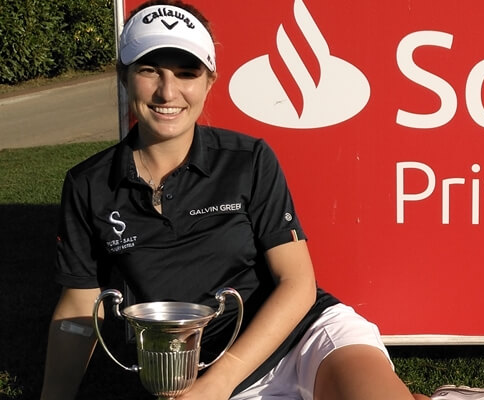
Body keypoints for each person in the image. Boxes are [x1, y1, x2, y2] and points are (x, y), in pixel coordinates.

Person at [40, 1, 430, 399]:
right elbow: (79, 304)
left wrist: (218, 384)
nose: (167, 91)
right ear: (123, 76)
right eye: (149, 70)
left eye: (187, 72)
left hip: (302, 339)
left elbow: (297, 283)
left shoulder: (248, 159)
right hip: (197, 369)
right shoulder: (89, 184)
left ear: (209, 81)